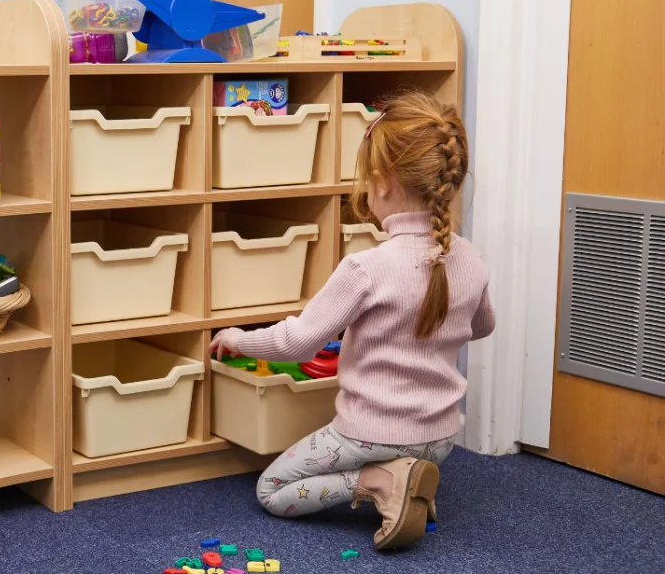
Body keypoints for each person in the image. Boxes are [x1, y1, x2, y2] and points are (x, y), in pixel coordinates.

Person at [209, 92, 494, 551]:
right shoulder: (471, 259)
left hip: (369, 437)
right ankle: (408, 480)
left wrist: (240, 339)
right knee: (396, 453)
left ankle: (382, 481)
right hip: (440, 439)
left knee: (272, 491)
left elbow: (296, 344)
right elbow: (482, 327)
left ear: (381, 184)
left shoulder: (366, 269)